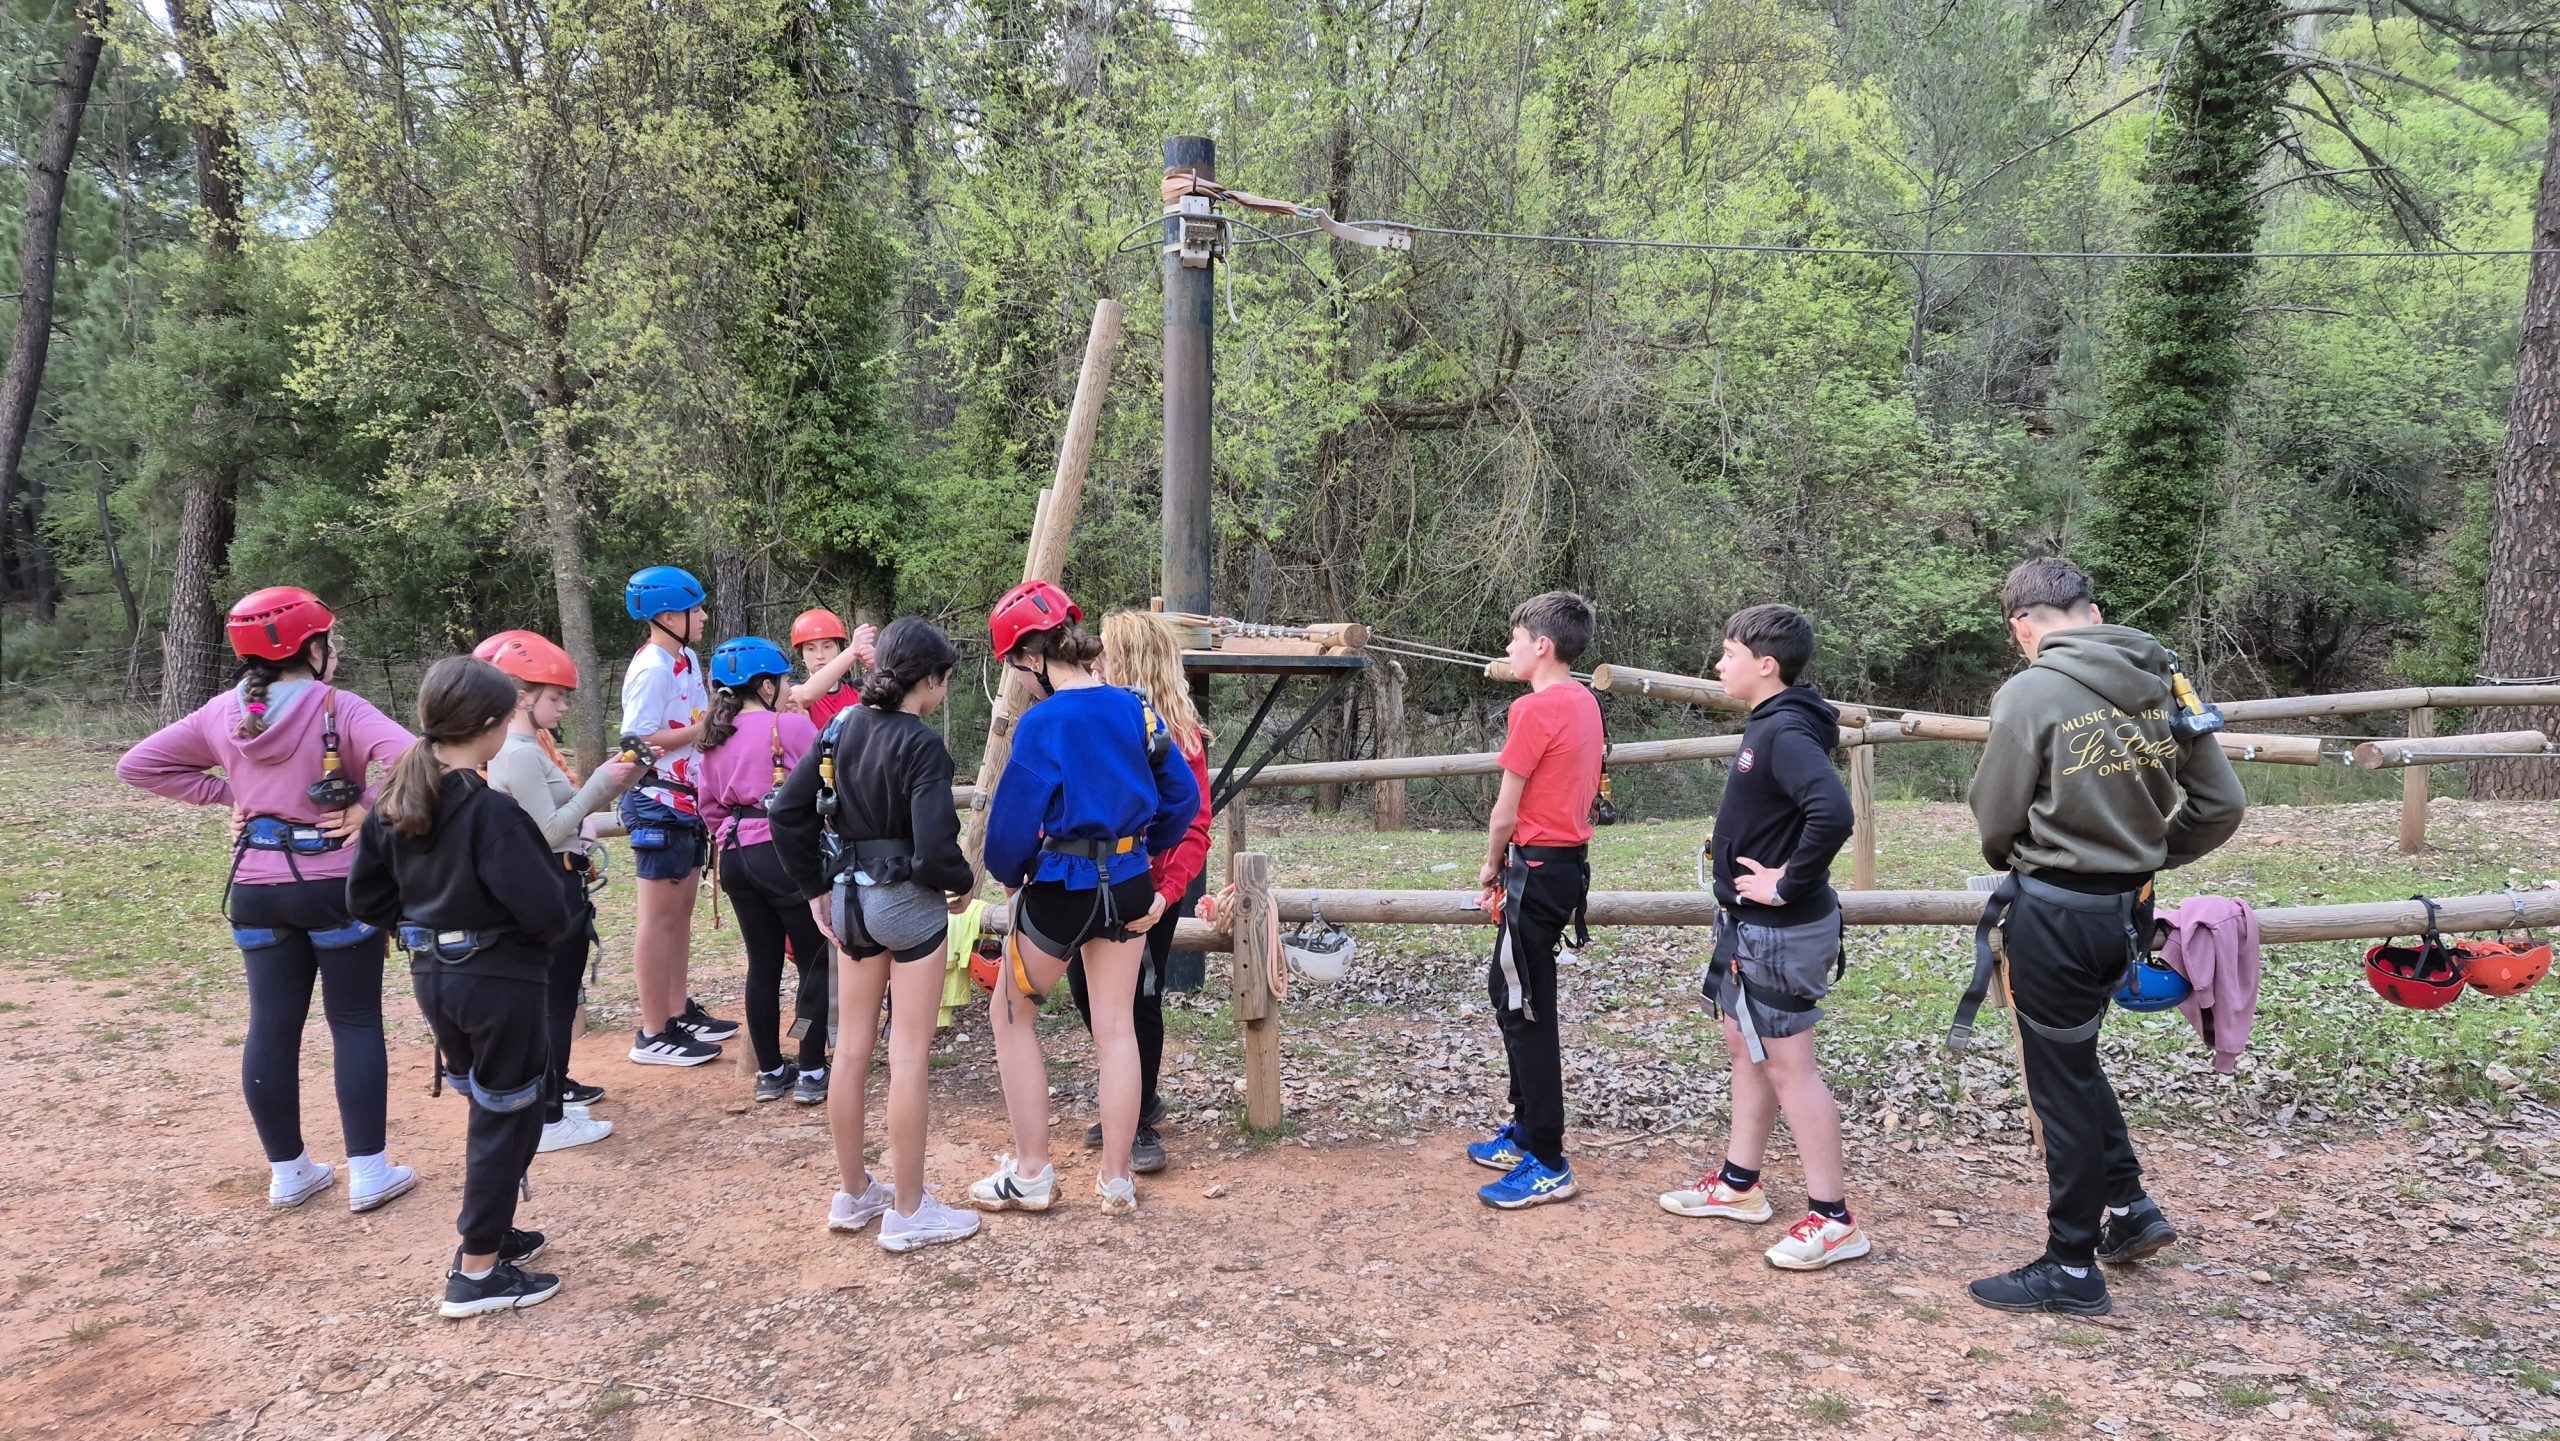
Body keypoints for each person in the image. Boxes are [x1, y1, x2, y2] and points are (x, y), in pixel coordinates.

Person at [1961, 557, 2246, 1315]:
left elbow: (1995, 812)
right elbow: (2221, 803)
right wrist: (2145, 855)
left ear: (2022, 625)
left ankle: (2071, 1266)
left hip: (2056, 913)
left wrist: (2029, 857)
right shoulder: (2164, 681)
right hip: (2128, 911)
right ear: (2090, 613)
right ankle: (2130, 1207)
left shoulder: (2030, 692)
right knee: (2074, 1060)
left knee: (2057, 1082)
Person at [118, 586, 420, 1214]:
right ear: (311, 648)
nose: (335, 650)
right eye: (330, 640)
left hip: (255, 890)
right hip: (335, 888)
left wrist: (237, 799)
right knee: (355, 1022)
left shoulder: (219, 713)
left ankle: (289, 1172)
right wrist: (367, 808)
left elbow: (138, 766)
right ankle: (369, 1172)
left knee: (272, 1027)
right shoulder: (341, 706)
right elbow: (419, 763)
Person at [348, 657, 574, 1317]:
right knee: (506, 1116)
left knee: (504, 1108)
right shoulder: (489, 812)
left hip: (436, 980)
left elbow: (365, 897)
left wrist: (425, 925)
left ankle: (494, 1230)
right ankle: (475, 1270)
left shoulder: (396, 802)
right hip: (498, 982)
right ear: (489, 724)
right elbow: (547, 910)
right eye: (509, 716)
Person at [970, 582, 1198, 1216]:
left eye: (1015, 667)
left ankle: (1032, 1173)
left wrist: (1013, 872)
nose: (1019, 680)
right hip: (1127, 883)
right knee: (1116, 1027)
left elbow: (1010, 832)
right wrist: (1144, 850)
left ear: (1032, 657)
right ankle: (1117, 1180)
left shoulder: (1042, 723)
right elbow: (1181, 798)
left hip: (1062, 888)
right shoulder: (1136, 708)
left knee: (1011, 1016)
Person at [1658, 604, 1865, 1270]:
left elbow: (1833, 812)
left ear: (1766, 664)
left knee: (1789, 1067)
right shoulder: (1772, 723)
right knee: (1746, 1049)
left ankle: (1834, 1219)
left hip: (1780, 929)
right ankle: (1739, 1184)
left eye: (1729, 653)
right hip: (1748, 929)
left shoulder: (1785, 730)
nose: (1719, 664)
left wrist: (1786, 882)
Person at [770, 617, 983, 1252]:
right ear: (932, 679)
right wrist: (962, 881)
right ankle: (910, 1210)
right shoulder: (921, 743)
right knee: (909, 1052)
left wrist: (814, 887)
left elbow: (786, 813)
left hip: (848, 899)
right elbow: (935, 848)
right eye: (946, 679)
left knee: (853, 1048)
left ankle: (854, 1192)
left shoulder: (840, 727)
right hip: (906, 904)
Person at [473, 629, 640, 1153]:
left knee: (557, 999)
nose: (564, 706)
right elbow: (545, 830)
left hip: (559, 879)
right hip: (548, 881)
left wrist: (617, 788)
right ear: (523, 697)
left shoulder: (528, 749)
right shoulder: (519, 755)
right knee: (555, 1003)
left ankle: (550, 1103)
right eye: (556, 697)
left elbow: (566, 816)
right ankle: (548, 1116)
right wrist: (600, 785)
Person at [1467, 591, 1602, 1210]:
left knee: (1526, 1010)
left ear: (1542, 646)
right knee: (1510, 991)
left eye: (1515, 638)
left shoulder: (1533, 708)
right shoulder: (1586, 701)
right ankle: (1524, 1130)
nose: (1508, 648)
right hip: (1562, 868)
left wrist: (1491, 865)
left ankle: (1548, 1158)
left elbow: (1506, 808)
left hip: (1537, 868)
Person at [1072, 610, 1215, 1174]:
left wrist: (1166, 890)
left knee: (1139, 998)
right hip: (1090, 881)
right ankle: (1135, 1096)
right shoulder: (1095, 717)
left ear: (1131, 660)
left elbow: (1195, 825)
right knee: (1087, 990)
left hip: (1148, 891)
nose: (1094, 658)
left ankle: (1135, 1119)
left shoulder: (1180, 737)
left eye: (1105, 650)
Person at [696, 636, 832, 1105]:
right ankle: (811, 1067)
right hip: (782, 854)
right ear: (767, 686)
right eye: (785, 681)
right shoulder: (789, 728)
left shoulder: (713, 737)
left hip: (735, 856)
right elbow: (828, 785)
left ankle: (771, 1071)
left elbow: (709, 807)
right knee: (814, 961)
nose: (790, 689)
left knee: (763, 963)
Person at [617, 565, 737, 1066]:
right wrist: (705, 728)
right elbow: (637, 739)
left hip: (686, 801)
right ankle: (653, 1032)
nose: (704, 616)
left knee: (680, 917)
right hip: (657, 803)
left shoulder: (684, 658)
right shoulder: (652, 668)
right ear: (668, 616)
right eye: (695, 609)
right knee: (657, 920)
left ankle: (675, 1010)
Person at [786, 608, 878, 730]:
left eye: (827, 646)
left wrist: (878, 665)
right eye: (811, 649)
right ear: (802, 655)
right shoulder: (792, 688)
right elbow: (803, 695)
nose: (820, 655)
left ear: (839, 650)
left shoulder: (857, 689)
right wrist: (852, 650)